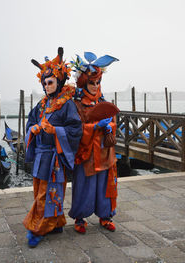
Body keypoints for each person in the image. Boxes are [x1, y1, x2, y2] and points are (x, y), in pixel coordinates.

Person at [23, 47, 82, 247]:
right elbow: (30, 123)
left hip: (55, 157)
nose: (47, 86)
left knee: (46, 195)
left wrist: (55, 130)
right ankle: (56, 222)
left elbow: (75, 128)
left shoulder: (67, 105)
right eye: (45, 83)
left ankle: (37, 227)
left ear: (59, 82)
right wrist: (34, 130)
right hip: (40, 155)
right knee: (38, 191)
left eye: (51, 82)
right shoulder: (40, 105)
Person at [69, 52, 119, 234]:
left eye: (98, 82)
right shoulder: (76, 104)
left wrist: (109, 127)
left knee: (105, 186)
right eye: (92, 82)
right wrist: (94, 126)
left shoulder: (104, 102)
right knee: (84, 185)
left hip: (105, 153)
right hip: (86, 153)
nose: (95, 86)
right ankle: (80, 218)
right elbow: (74, 129)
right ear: (84, 82)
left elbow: (113, 122)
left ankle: (106, 216)